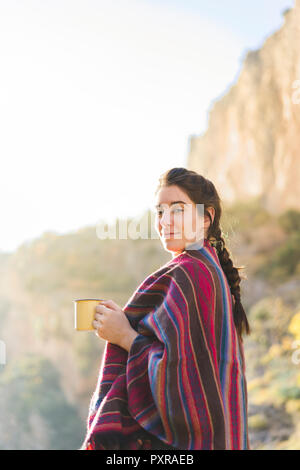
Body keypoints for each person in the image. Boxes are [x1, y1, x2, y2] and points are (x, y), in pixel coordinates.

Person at [81, 167, 251, 450]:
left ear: (205, 217)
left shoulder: (191, 273)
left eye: (178, 209)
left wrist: (123, 335)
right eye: (160, 211)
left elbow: (186, 379)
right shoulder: (206, 269)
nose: (166, 221)